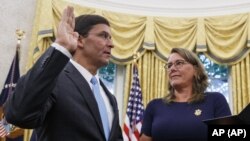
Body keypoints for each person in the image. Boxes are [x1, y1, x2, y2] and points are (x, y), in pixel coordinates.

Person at [3, 6, 123, 141]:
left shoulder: (109, 97)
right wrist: (60, 47)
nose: (111, 44)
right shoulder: (54, 79)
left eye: (110, 38)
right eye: (103, 36)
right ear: (79, 40)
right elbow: (19, 114)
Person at [140, 48, 231, 141]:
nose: (172, 69)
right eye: (169, 65)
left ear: (196, 70)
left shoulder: (215, 101)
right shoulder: (154, 106)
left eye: (179, 63)